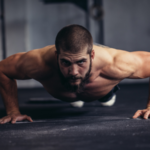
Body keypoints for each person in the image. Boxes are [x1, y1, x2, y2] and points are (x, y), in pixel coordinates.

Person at [0, 24, 149, 124]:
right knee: (75, 89)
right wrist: (13, 111)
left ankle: (108, 93)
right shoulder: (38, 62)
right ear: (57, 55)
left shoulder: (116, 63)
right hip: (65, 87)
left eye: (81, 62)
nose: (73, 71)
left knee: (107, 100)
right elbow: (2, 69)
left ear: (92, 56)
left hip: (102, 85)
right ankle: (75, 91)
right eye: (65, 62)